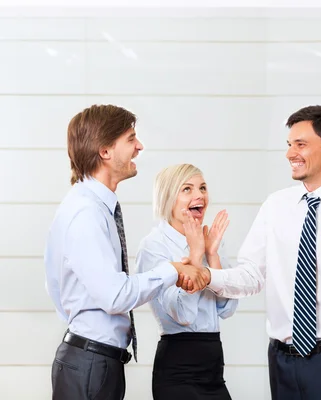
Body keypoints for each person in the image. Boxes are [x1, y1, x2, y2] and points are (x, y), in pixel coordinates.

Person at [183, 105, 321, 399]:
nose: (290, 153)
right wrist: (208, 276)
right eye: (289, 144)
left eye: (301, 144)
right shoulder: (275, 204)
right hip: (281, 361)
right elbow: (252, 274)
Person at [44, 105, 208, 400]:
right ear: (105, 151)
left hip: (95, 359)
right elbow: (115, 296)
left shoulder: (93, 207)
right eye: (131, 139)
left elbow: (57, 287)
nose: (139, 147)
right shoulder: (86, 212)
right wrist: (174, 269)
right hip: (90, 361)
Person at [136, 164, 238, 399]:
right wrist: (194, 256)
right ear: (168, 198)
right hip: (178, 368)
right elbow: (182, 314)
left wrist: (211, 254)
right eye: (187, 189)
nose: (199, 195)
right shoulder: (153, 246)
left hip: (213, 364)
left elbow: (227, 308)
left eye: (202, 187)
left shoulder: (211, 241)